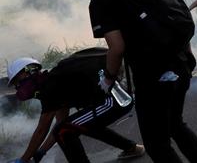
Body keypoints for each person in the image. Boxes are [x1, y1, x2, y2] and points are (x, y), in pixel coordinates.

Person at [70, 0, 197, 163]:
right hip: (181, 66)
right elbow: (173, 20)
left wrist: (108, 80)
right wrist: (186, 57)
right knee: (176, 125)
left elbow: (116, 47)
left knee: (157, 145)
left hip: (153, 78)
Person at [6, 50, 144, 163]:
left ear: (29, 72)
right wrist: (41, 152)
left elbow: (42, 129)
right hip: (118, 97)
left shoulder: (50, 87)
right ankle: (133, 148)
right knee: (76, 125)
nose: (19, 88)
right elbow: (60, 122)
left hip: (114, 100)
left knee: (64, 130)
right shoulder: (54, 82)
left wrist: (24, 160)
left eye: (18, 82)